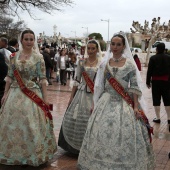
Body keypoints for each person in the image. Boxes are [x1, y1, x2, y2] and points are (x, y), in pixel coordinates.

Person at [77, 32, 155, 169]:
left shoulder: (130, 65)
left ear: (124, 46)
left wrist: (136, 107)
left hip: (124, 102)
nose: (115, 47)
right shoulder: (104, 64)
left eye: (118, 44)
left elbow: (135, 87)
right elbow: (99, 85)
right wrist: (95, 103)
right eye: (113, 44)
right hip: (105, 101)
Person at [0, 29, 57, 166]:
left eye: (31, 39)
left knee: (32, 125)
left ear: (34, 41)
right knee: (11, 123)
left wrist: (46, 98)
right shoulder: (14, 56)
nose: (29, 42)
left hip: (32, 95)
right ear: (21, 40)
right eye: (26, 39)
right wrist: (5, 93)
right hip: (14, 93)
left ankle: (32, 154)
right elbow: (9, 77)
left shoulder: (39, 58)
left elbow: (43, 79)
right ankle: (12, 154)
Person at [58, 40, 103, 154]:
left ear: (97, 49)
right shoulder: (82, 62)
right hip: (81, 93)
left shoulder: (101, 63)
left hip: (95, 95)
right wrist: (71, 97)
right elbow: (77, 79)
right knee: (76, 117)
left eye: (93, 48)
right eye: (89, 48)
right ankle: (75, 147)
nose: (91, 50)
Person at [146, 43, 170, 130]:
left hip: (156, 82)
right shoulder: (168, 58)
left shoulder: (153, 58)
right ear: (164, 49)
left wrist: (148, 82)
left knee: (156, 99)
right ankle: (169, 118)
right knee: (167, 99)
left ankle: (158, 118)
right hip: (166, 82)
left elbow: (149, 71)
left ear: (157, 49)